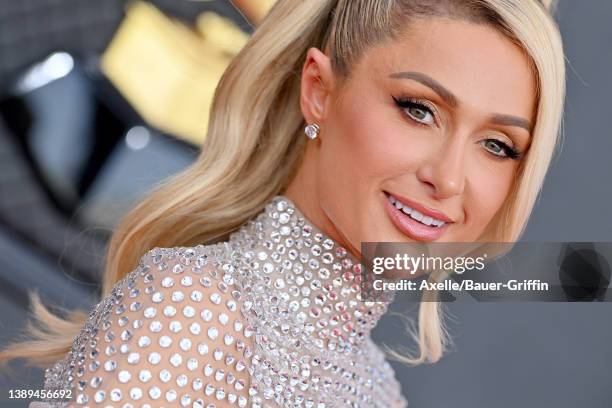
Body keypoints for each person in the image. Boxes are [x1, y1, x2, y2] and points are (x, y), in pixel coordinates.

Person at [0, 0, 565, 406]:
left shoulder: (378, 387)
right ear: (318, 90)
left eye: (497, 145)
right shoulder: (196, 310)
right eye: (417, 108)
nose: (449, 178)